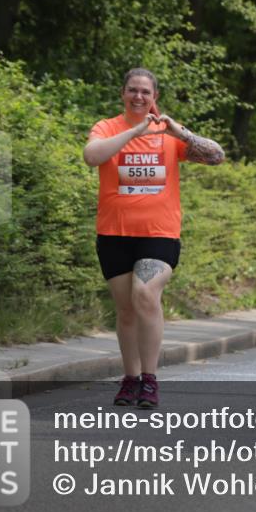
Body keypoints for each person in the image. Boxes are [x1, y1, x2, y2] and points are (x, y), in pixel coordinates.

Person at [84, 68, 225, 408]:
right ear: (123, 93)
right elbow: (92, 156)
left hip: (159, 234)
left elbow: (216, 156)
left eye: (145, 92)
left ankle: (149, 379)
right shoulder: (107, 128)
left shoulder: (168, 133)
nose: (139, 97)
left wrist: (180, 132)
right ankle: (130, 378)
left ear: (155, 97)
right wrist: (134, 132)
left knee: (144, 294)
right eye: (133, 90)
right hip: (114, 233)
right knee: (126, 310)